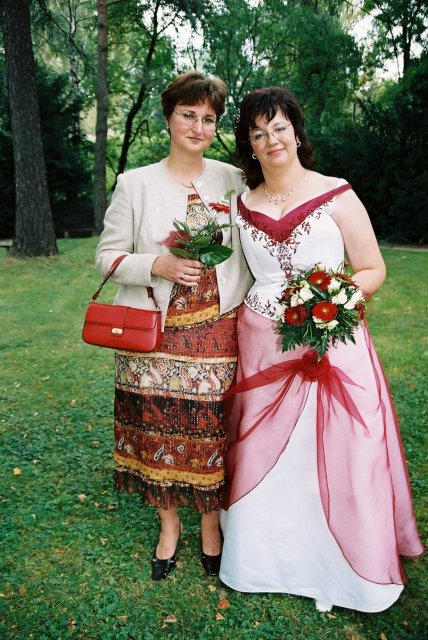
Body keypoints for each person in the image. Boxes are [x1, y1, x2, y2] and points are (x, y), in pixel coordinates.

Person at [219, 87, 424, 612]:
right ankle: (262, 561)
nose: (271, 140)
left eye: (279, 127)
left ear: (296, 131)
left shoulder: (336, 193)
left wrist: (332, 303)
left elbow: (372, 267)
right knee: (264, 447)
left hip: (334, 339)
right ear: (249, 144)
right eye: (258, 133)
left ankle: (345, 567)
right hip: (263, 344)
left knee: (345, 445)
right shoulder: (240, 206)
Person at [95, 71, 253, 581]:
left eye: (208, 118)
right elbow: (105, 257)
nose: (198, 127)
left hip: (217, 328)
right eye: (188, 115)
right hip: (153, 330)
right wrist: (156, 265)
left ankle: (210, 524)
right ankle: (169, 525)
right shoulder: (135, 183)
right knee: (155, 425)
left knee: (211, 428)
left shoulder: (233, 179)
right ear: (168, 118)